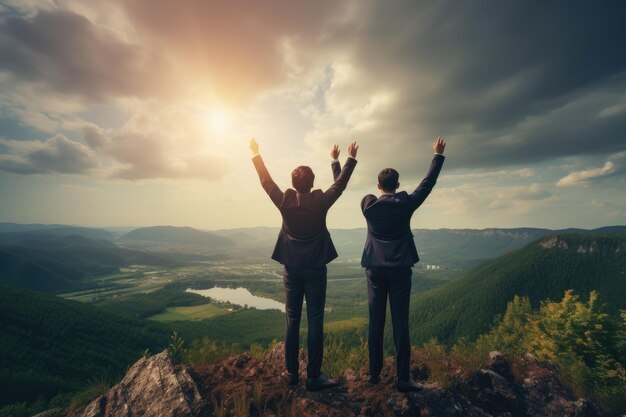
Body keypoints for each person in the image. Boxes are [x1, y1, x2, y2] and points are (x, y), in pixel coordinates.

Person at [250, 138, 358, 390]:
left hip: (291, 268)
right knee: (316, 319)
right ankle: (313, 376)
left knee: (292, 319)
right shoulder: (321, 201)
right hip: (316, 268)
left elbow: (266, 182)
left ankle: (290, 373)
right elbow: (340, 185)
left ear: (293, 183)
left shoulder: (285, 201)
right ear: (312, 183)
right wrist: (346, 159)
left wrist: (256, 154)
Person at [361, 137, 446, 392]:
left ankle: (374, 375)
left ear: (378, 185)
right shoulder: (406, 203)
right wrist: (437, 155)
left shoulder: (368, 204)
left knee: (375, 322)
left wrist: (337, 163)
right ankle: (403, 379)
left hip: (375, 270)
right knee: (401, 323)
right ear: (397, 186)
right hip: (400, 270)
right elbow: (427, 184)